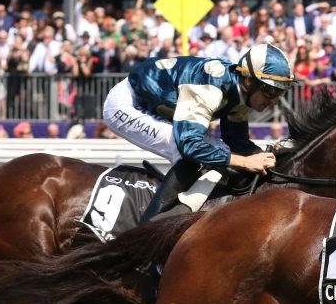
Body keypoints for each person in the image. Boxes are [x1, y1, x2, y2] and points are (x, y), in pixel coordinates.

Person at [101, 43, 295, 221]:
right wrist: (245, 162)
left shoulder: (242, 91)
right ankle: (148, 230)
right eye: (270, 91)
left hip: (156, 104)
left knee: (220, 152)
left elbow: (235, 140)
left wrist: (265, 156)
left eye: (280, 92)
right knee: (191, 155)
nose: (274, 101)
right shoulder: (210, 89)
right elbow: (190, 145)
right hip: (128, 104)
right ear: (248, 81)